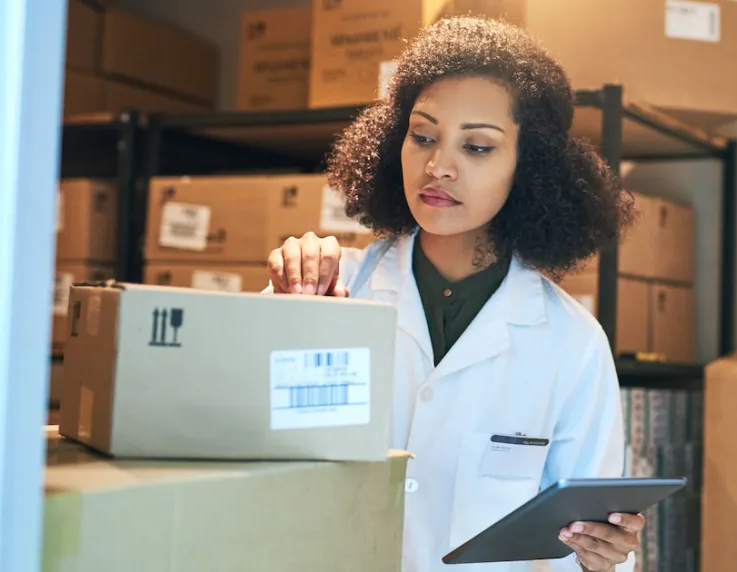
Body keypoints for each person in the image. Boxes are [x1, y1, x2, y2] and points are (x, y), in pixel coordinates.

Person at [265, 16, 639, 572]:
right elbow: (235, 462)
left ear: (528, 168)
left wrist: (602, 560)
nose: (438, 167)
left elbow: (586, 544)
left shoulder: (572, 344)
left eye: (479, 147)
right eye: (422, 136)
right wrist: (275, 313)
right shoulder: (324, 286)